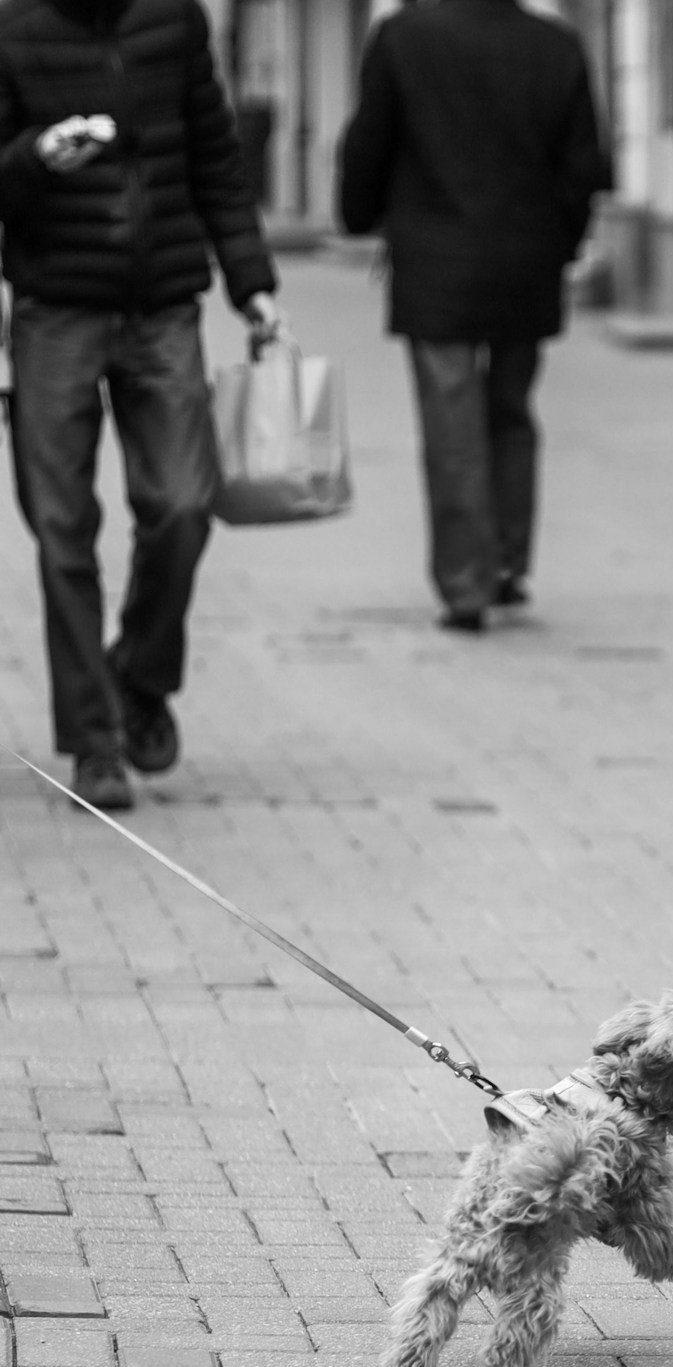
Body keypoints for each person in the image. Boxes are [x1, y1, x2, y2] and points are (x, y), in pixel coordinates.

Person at [0, 0, 283, 811]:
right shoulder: (13, 31)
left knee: (184, 504)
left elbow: (216, 158)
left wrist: (253, 284)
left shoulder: (175, 20)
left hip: (163, 305)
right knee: (61, 531)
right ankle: (94, 741)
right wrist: (35, 156)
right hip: (55, 310)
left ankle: (140, 676)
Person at [336, 0, 611, 634]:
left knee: (450, 417)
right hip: (527, 257)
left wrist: (359, 214)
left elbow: (369, 138)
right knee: (511, 412)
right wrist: (565, 244)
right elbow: (582, 164)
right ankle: (510, 565)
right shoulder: (555, 46)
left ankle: (465, 581)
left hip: (436, 259)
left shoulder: (403, 37)